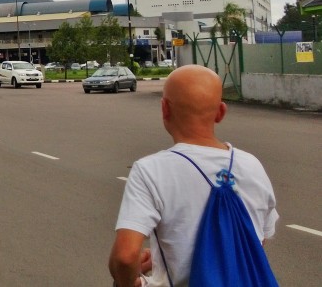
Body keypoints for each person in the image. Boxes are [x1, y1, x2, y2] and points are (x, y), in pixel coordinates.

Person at [109, 65, 279, 287]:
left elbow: (125, 257)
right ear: (220, 112)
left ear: (165, 109)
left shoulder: (150, 170)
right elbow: (256, 239)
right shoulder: (252, 165)